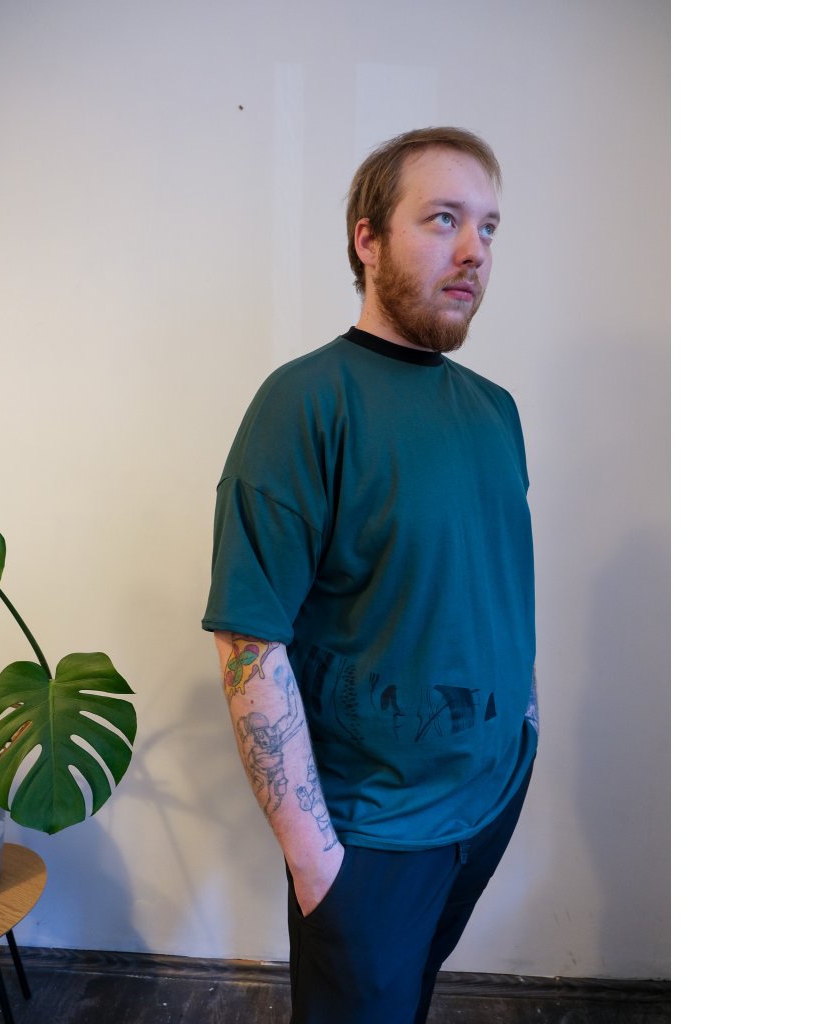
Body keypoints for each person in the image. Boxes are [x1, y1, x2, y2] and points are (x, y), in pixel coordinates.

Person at [202, 126, 538, 1024]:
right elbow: (248, 638)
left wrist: (525, 729)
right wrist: (316, 861)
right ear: (368, 239)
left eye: (489, 227)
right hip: (372, 835)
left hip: (488, 802)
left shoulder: (495, 410)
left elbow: (496, 583)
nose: (474, 250)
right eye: (443, 219)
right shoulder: (304, 402)